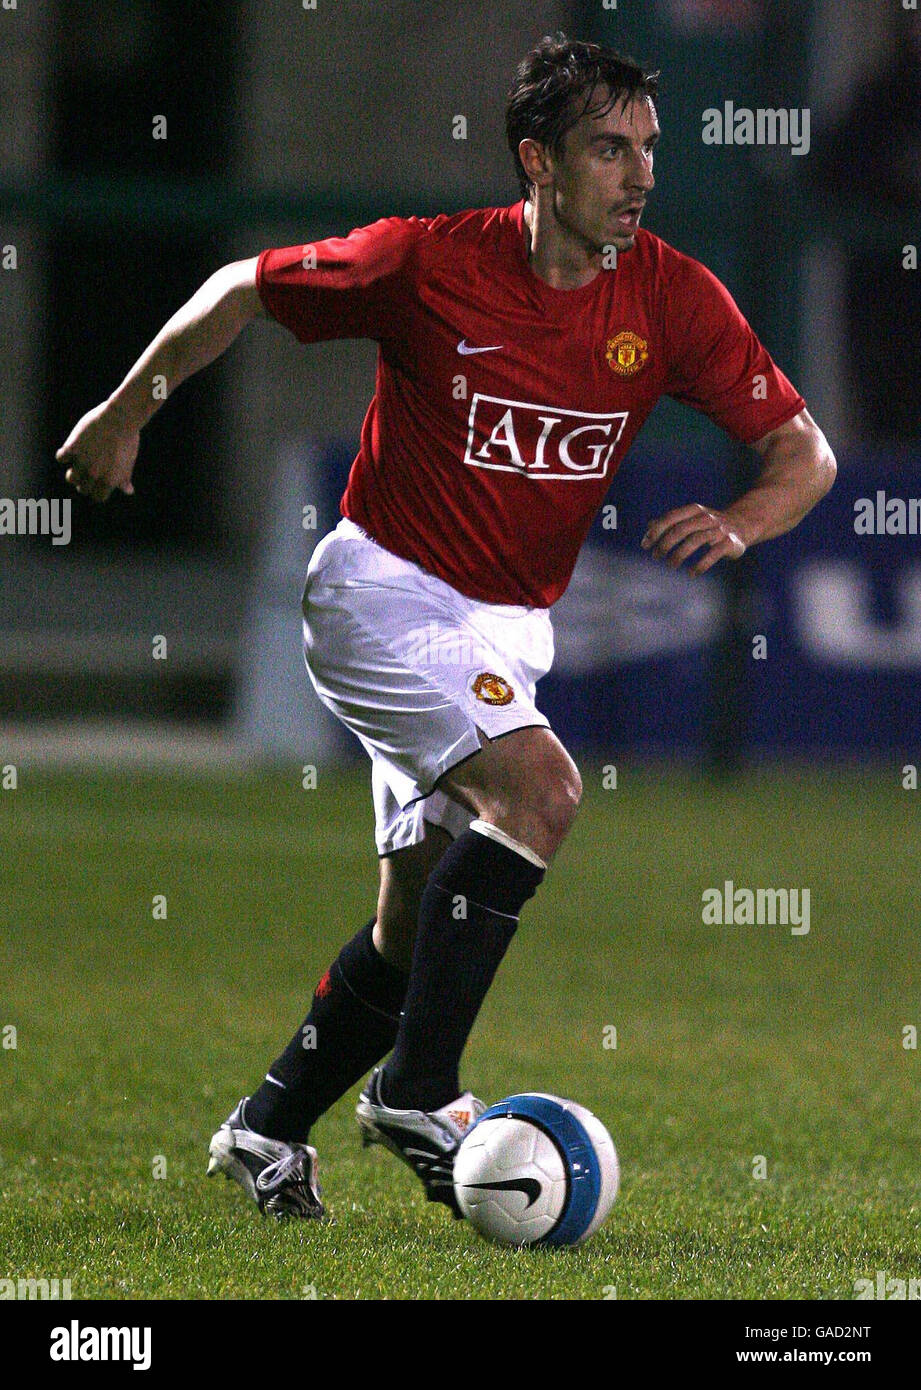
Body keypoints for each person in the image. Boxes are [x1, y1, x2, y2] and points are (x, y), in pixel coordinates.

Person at [57, 33, 836, 1221]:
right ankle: (418, 1088)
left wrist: (742, 521)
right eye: (607, 149)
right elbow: (241, 290)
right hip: (381, 594)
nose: (638, 175)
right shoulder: (426, 264)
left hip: (509, 627)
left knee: (417, 915)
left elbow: (806, 452)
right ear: (537, 161)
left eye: (648, 150)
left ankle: (266, 1127)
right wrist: (126, 415)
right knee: (543, 793)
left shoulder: (674, 297)